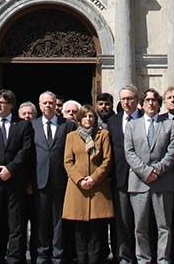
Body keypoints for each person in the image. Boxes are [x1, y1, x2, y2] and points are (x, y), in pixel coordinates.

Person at [0, 89, 33, 264]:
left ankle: (14, 258)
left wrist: (10, 169)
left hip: (14, 181)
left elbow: (25, 150)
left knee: (15, 223)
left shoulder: (23, 125)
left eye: (3, 102)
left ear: (11, 105)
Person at [124, 88, 174, 264]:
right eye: (147, 100)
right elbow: (129, 152)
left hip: (163, 182)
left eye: (154, 100)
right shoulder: (132, 125)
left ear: (159, 103)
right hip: (139, 183)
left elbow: (172, 151)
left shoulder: (170, 124)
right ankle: (143, 259)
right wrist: (146, 172)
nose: (151, 103)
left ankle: (163, 259)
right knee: (140, 227)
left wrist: (157, 170)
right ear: (142, 103)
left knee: (164, 226)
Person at [63, 105, 113, 264]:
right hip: (78, 190)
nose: (88, 119)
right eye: (85, 116)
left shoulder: (103, 135)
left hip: (98, 188)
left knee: (96, 234)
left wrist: (94, 178)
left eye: (91, 116)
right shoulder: (71, 136)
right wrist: (80, 180)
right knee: (80, 234)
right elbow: (68, 162)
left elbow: (107, 160)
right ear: (79, 119)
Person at [33, 90, 76, 264]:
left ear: (56, 105)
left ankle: (58, 255)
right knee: (41, 220)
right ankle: (42, 254)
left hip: (61, 180)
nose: (48, 106)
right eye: (45, 103)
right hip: (39, 180)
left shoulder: (67, 125)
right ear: (40, 105)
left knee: (59, 220)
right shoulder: (32, 125)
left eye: (51, 103)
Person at [106, 86, 141, 264]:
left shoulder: (145, 118)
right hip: (120, 178)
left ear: (137, 100)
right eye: (123, 99)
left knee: (142, 222)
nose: (126, 102)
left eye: (130, 98)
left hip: (143, 180)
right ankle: (125, 257)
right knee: (123, 222)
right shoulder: (113, 121)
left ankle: (143, 256)